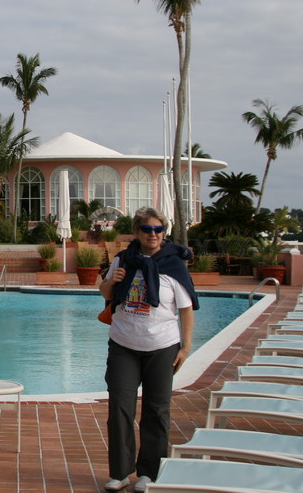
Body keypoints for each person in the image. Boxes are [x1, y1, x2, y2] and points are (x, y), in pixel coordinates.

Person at [99, 207, 197, 492]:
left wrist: (186, 347)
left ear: (163, 232)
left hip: (162, 347)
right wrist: (110, 281)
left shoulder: (174, 265)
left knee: (156, 410)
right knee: (120, 408)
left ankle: (149, 473)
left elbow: (186, 309)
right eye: (146, 229)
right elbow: (106, 295)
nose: (152, 234)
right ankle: (120, 472)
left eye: (157, 229)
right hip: (123, 345)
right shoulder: (123, 258)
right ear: (137, 231)